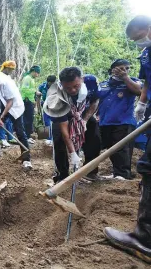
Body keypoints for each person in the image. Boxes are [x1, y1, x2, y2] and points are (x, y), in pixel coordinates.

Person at [104, 15, 151, 263]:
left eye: (139, 37)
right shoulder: (147, 55)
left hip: (125, 123)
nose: (138, 42)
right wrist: (142, 104)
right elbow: (147, 83)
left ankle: (145, 240)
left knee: (146, 167)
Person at [43, 68, 101, 183]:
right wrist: (73, 153)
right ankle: (63, 175)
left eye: (76, 86)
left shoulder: (91, 81)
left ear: (82, 79)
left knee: (95, 138)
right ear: (62, 84)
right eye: (68, 88)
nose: (73, 90)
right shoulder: (56, 97)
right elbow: (65, 132)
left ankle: (90, 171)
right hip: (62, 114)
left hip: (83, 112)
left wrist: (84, 120)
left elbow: (95, 101)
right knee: (59, 140)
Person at [97, 59, 141, 180]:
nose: (124, 71)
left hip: (124, 121)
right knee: (111, 148)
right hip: (105, 121)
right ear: (113, 70)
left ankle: (123, 174)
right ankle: (117, 172)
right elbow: (96, 100)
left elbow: (139, 91)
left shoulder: (133, 82)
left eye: (127, 69)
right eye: (121, 68)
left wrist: (126, 78)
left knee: (121, 148)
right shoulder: (103, 84)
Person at [0, 61, 17, 148]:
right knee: (0, 120)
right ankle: (2, 138)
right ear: (6, 68)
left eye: (12, 69)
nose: (11, 71)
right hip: (1, 102)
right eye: (10, 69)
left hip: (9, 102)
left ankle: (10, 137)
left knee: (8, 120)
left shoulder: (7, 77)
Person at [20, 65, 41, 144]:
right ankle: (26, 136)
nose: (37, 75)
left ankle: (28, 136)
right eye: (37, 73)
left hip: (30, 101)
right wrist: (35, 91)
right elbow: (24, 89)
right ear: (34, 71)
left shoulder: (31, 79)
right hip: (26, 101)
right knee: (27, 120)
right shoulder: (27, 78)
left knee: (30, 119)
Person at [37, 75, 57, 146]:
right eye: (50, 83)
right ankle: (49, 138)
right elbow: (37, 97)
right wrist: (38, 108)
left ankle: (56, 139)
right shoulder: (42, 86)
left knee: (55, 123)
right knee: (46, 122)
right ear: (47, 82)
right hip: (45, 106)